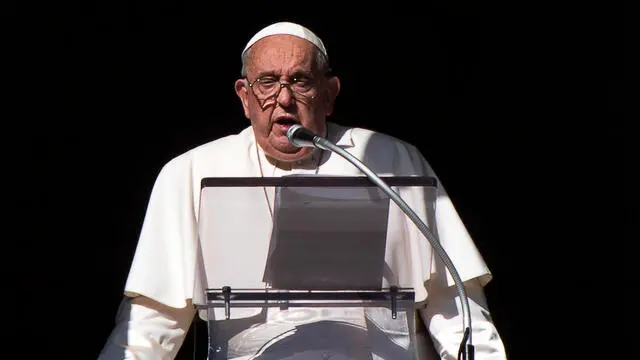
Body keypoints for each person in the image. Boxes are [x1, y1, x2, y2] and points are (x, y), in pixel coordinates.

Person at [97, 21, 508, 360]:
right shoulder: (190, 172)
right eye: (267, 83)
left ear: (329, 95)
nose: (284, 99)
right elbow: (152, 324)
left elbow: (454, 304)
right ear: (244, 97)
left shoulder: (390, 161)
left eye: (299, 81)